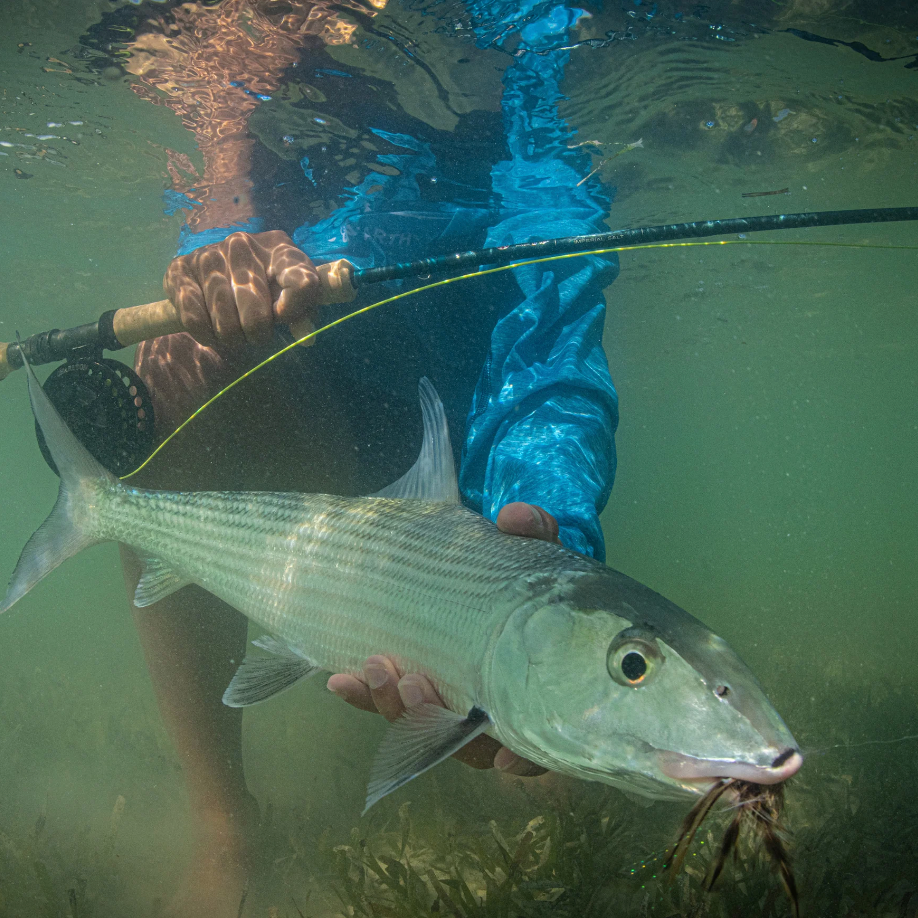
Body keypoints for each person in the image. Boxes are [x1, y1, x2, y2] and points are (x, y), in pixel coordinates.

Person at [118, 1, 618, 914]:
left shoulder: (530, 34)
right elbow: (223, 200)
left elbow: (553, 333)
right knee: (174, 379)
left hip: (477, 456)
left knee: (537, 768)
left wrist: (550, 541)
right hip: (328, 416)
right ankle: (226, 821)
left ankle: (455, 651)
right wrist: (216, 268)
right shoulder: (244, 33)